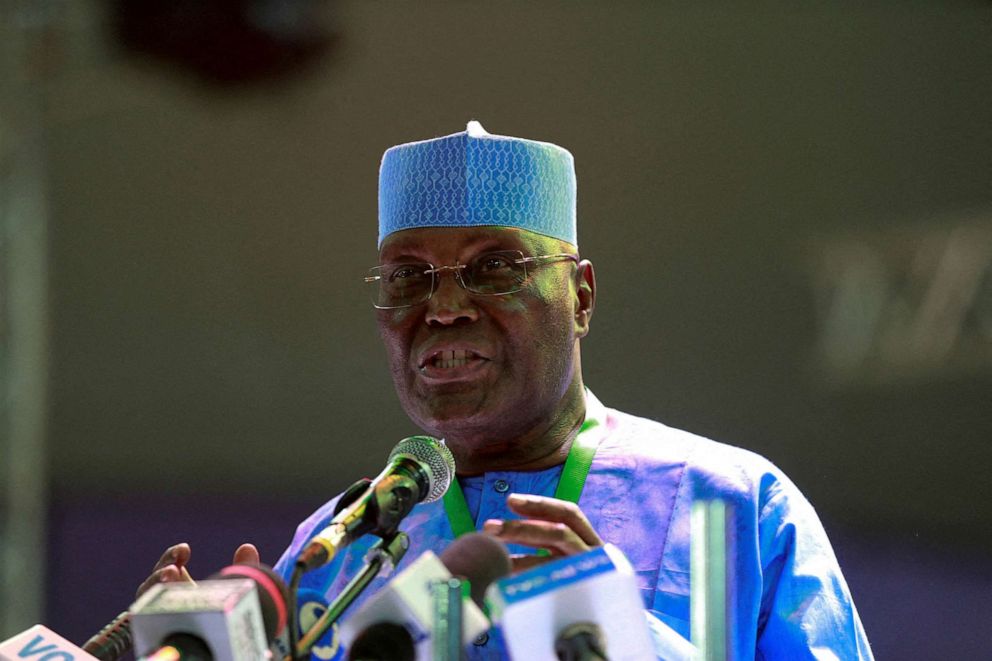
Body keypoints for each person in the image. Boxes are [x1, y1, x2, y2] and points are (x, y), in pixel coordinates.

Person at [141, 121, 873, 659]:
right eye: (407, 276)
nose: (446, 307)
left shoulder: (730, 506)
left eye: (495, 267)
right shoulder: (332, 551)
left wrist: (620, 636)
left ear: (581, 297)